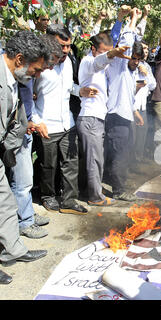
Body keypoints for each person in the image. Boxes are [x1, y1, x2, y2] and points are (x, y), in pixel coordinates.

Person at [0, 31, 49, 285]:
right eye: (36, 70)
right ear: (20, 59)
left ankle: (13, 250)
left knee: (6, 203)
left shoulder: (13, 80)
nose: (37, 76)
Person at [32, 24, 96, 215]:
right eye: (62, 45)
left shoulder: (68, 63)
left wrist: (80, 91)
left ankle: (68, 200)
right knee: (48, 165)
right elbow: (28, 96)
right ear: (49, 40)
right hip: (46, 124)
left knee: (71, 163)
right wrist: (36, 120)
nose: (66, 50)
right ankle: (48, 196)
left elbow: (69, 87)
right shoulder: (38, 63)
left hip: (67, 123)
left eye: (69, 46)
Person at [6, 34, 62, 240]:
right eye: (42, 67)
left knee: (25, 178)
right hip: (17, 131)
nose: (41, 73)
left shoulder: (25, 73)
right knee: (21, 180)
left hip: (25, 127)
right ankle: (24, 221)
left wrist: (30, 122)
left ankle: (26, 212)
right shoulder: (18, 73)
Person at [77, 31, 131, 206]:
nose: (106, 56)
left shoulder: (102, 65)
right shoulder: (88, 62)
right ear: (93, 49)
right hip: (90, 118)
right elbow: (98, 62)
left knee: (97, 159)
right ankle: (95, 197)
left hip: (97, 118)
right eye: (102, 51)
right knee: (94, 160)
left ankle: (92, 193)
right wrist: (110, 54)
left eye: (108, 51)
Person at [105, 8, 146, 202]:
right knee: (119, 154)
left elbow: (129, 98)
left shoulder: (132, 72)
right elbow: (125, 43)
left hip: (126, 116)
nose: (135, 62)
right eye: (133, 58)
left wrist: (135, 112)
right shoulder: (119, 65)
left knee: (123, 152)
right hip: (116, 117)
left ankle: (116, 184)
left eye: (138, 60)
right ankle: (118, 190)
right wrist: (132, 19)